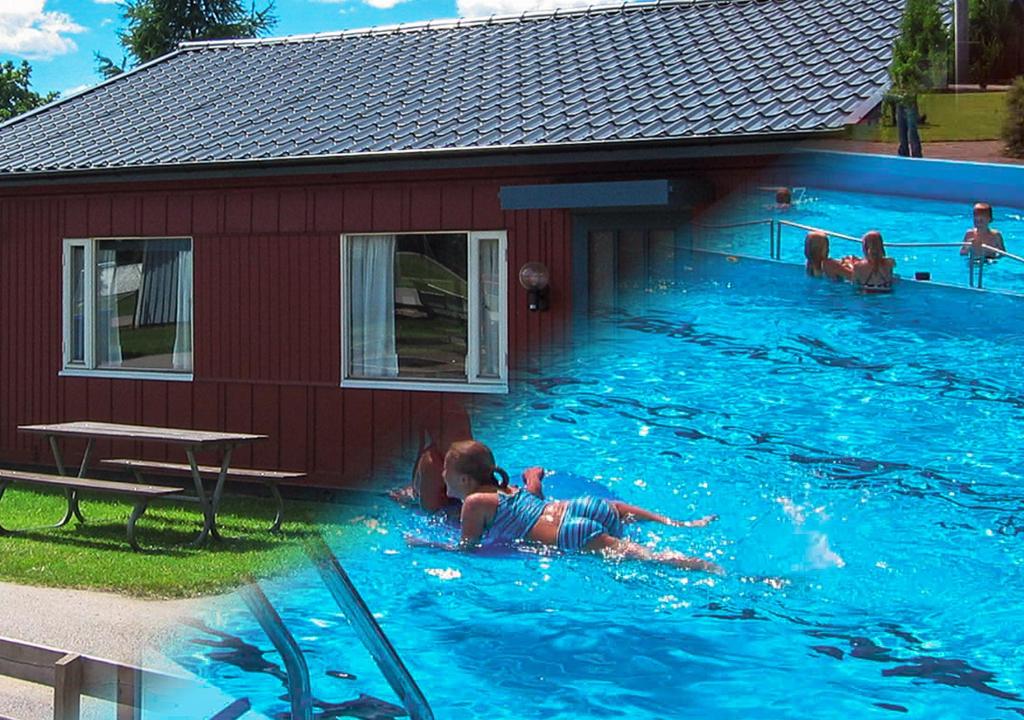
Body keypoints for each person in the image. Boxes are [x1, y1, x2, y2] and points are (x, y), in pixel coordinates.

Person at [407, 440, 723, 574]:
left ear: (462, 479)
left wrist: (427, 545)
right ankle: (679, 525)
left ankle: (710, 568)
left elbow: (467, 549)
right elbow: (532, 498)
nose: (442, 477)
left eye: (445, 473)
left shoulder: (474, 504)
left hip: (567, 533)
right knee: (616, 508)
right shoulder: (508, 488)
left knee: (646, 557)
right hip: (580, 509)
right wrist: (535, 477)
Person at [831, 231, 895, 293]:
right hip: (886, 293)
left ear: (865, 248)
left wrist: (850, 264)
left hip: (866, 295)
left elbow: (854, 284)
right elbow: (876, 261)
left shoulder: (858, 266)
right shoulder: (890, 263)